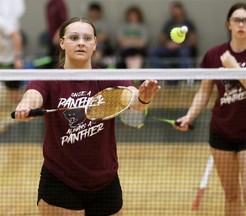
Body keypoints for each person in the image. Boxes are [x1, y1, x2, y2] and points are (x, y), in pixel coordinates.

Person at [13, 17, 160, 215]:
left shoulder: (108, 78)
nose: (81, 42)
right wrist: (26, 106)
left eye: (87, 38)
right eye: (74, 37)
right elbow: (33, 95)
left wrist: (143, 97)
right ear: (62, 43)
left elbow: (132, 98)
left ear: (94, 44)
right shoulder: (49, 79)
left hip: (105, 180)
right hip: (60, 179)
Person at [174, 3, 246, 216]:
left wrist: (235, 69)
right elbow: (204, 92)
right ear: (229, 24)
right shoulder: (213, 55)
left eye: (245, 20)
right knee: (231, 196)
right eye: (236, 20)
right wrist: (189, 115)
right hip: (221, 133)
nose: (241, 24)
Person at [0, 0, 25, 132]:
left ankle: (20, 127)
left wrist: (17, 58)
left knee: (15, 98)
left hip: (8, 63)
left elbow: (16, 36)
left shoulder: (2, 22)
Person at [149, 1, 197, 69]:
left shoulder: (188, 23)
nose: (174, 12)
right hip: (169, 49)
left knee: (185, 52)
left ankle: (182, 77)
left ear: (182, 10)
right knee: (153, 52)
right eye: (172, 10)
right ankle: (162, 74)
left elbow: (193, 41)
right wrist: (167, 44)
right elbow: (161, 39)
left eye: (176, 9)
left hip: (182, 49)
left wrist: (179, 46)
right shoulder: (169, 24)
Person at [87, 2, 114, 67]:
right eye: (92, 12)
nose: (94, 14)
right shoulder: (86, 23)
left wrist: (91, 38)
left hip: (101, 46)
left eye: (96, 12)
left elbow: (105, 36)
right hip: (88, 45)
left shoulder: (103, 24)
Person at [45, 0, 68, 68]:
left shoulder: (59, 3)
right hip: (51, 36)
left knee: (56, 60)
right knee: (50, 60)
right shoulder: (49, 5)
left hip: (58, 37)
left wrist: (58, 34)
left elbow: (64, 21)